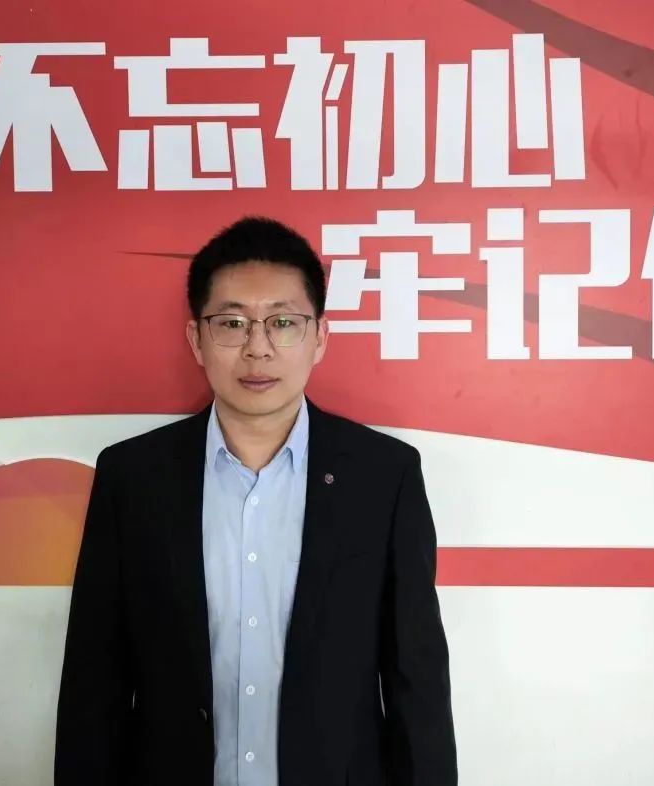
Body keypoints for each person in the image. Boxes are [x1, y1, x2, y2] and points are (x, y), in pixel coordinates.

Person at [54, 216, 458, 786]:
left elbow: (416, 680)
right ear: (196, 339)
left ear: (320, 337)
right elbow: (95, 680)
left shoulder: (383, 477)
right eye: (232, 323)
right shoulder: (133, 477)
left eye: (284, 323)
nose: (258, 348)